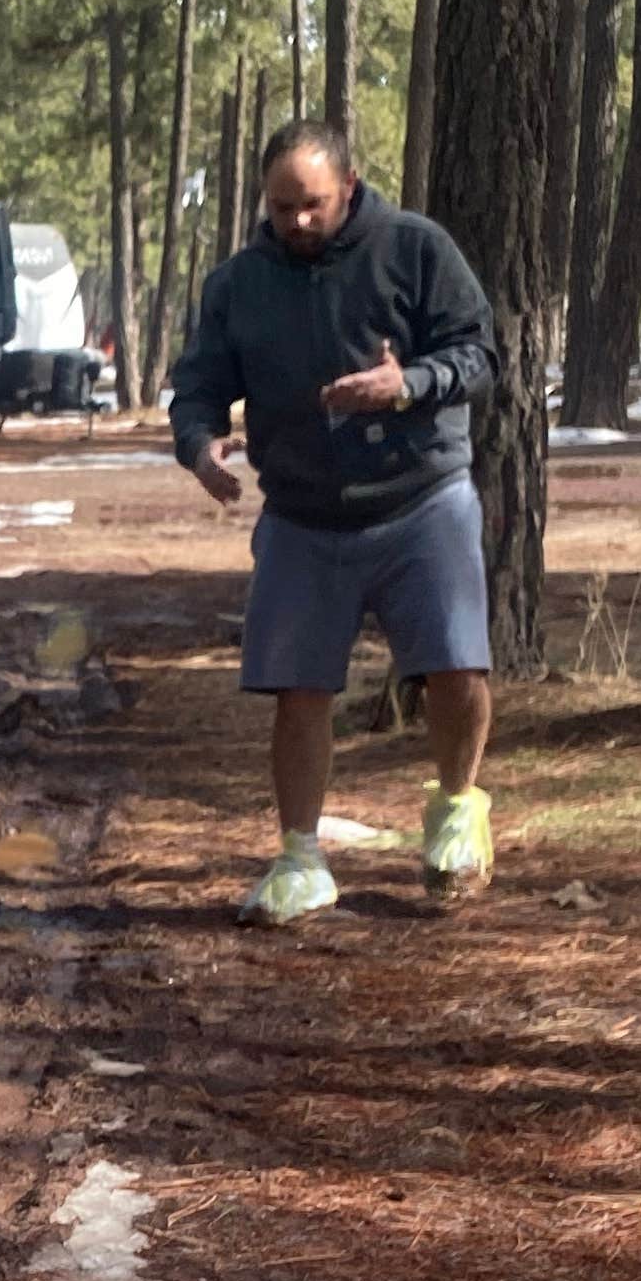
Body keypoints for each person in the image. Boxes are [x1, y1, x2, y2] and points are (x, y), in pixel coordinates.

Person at [168, 119, 500, 921]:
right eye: (282, 208)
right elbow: (199, 386)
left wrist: (409, 383)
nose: (298, 222)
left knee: (455, 667)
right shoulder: (238, 283)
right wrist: (200, 446)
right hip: (303, 513)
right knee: (297, 689)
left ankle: (458, 810)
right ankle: (300, 857)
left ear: (349, 188)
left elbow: (480, 354)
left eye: (312, 204)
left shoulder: (416, 249)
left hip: (421, 499)